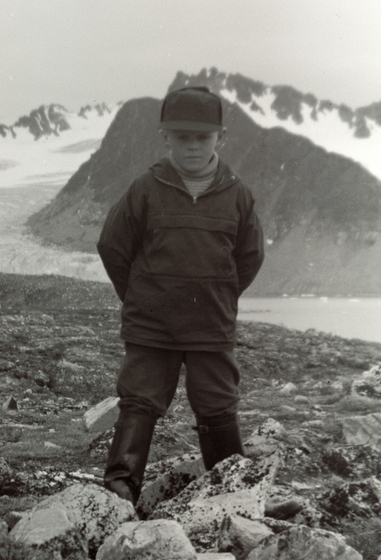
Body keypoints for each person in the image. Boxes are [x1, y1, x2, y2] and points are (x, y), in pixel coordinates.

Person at [97, 85, 265, 505]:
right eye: (182, 137)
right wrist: (140, 297)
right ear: (165, 138)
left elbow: (250, 256)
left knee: (217, 402)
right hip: (152, 326)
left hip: (211, 325)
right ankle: (121, 488)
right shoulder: (145, 189)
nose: (192, 146)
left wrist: (217, 294)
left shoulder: (238, 194)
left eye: (202, 138)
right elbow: (112, 247)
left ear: (220, 138)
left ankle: (231, 493)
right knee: (139, 398)